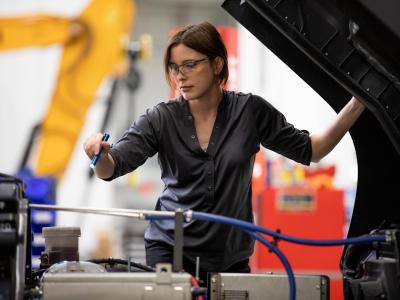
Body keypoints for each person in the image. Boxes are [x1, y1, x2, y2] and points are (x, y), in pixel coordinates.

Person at [83, 21, 365, 283]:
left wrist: (359, 102)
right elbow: (112, 167)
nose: (180, 75)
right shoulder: (160, 118)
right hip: (170, 247)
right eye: (174, 67)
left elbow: (312, 150)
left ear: (217, 64)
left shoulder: (250, 111)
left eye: (190, 65)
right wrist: (98, 154)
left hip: (229, 255)